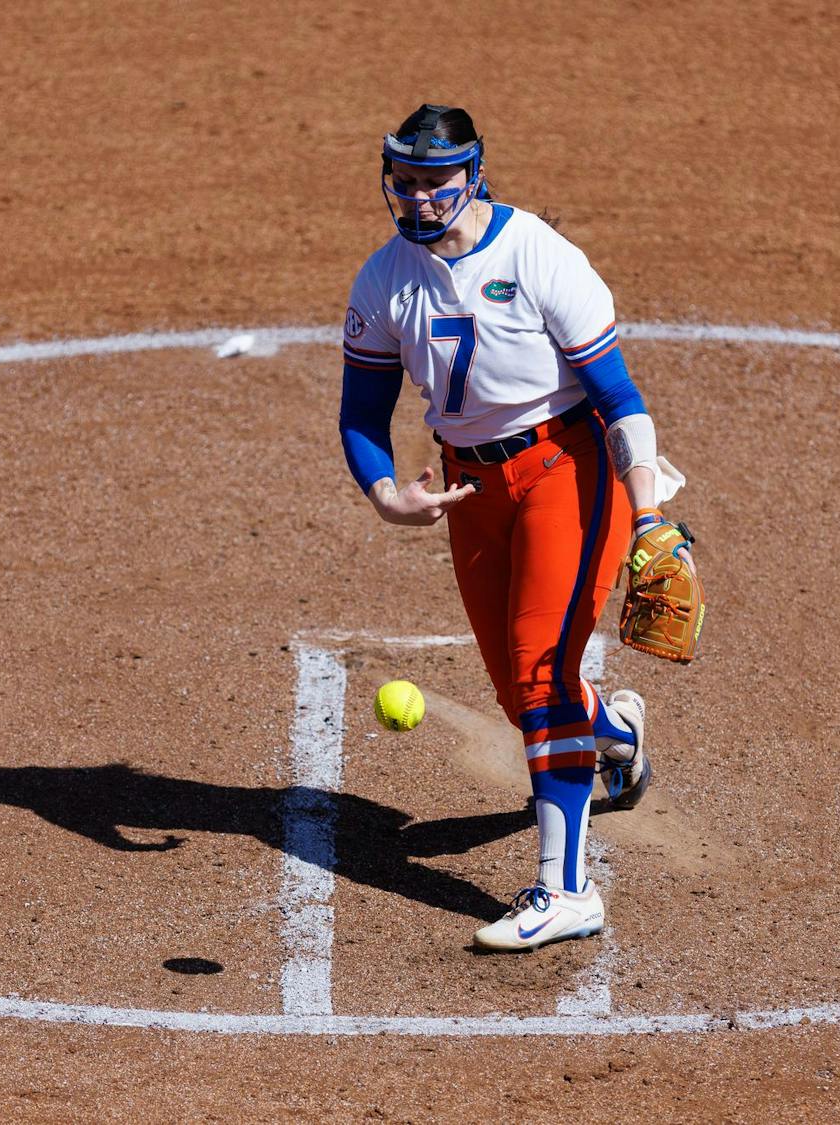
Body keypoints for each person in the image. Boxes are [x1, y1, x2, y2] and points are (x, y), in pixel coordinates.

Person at [338, 103, 694, 952]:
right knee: (522, 692)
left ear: (474, 175)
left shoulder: (538, 255)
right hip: (471, 488)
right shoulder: (384, 280)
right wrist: (387, 492)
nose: (421, 199)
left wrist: (648, 515)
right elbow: (361, 413)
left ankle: (566, 889)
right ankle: (617, 731)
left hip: (566, 472)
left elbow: (620, 399)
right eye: (408, 182)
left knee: (541, 676)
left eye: (437, 182)